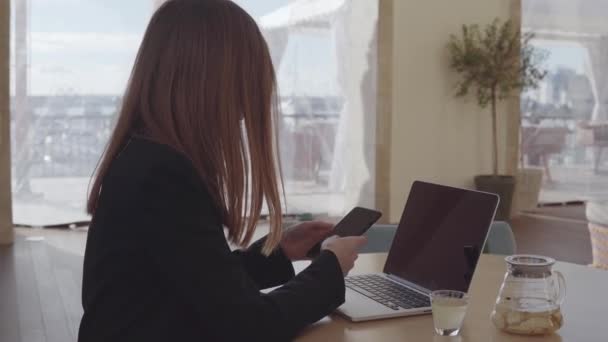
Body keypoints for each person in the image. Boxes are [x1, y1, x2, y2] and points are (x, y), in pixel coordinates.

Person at [78, 1, 367, 341]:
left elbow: (200, 280)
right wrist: (331, 268)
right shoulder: (164, 176)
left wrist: (280, 250)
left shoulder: (144, 157)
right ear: (214, 82)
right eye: (244, 87)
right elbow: (249, 324)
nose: (244, 112)